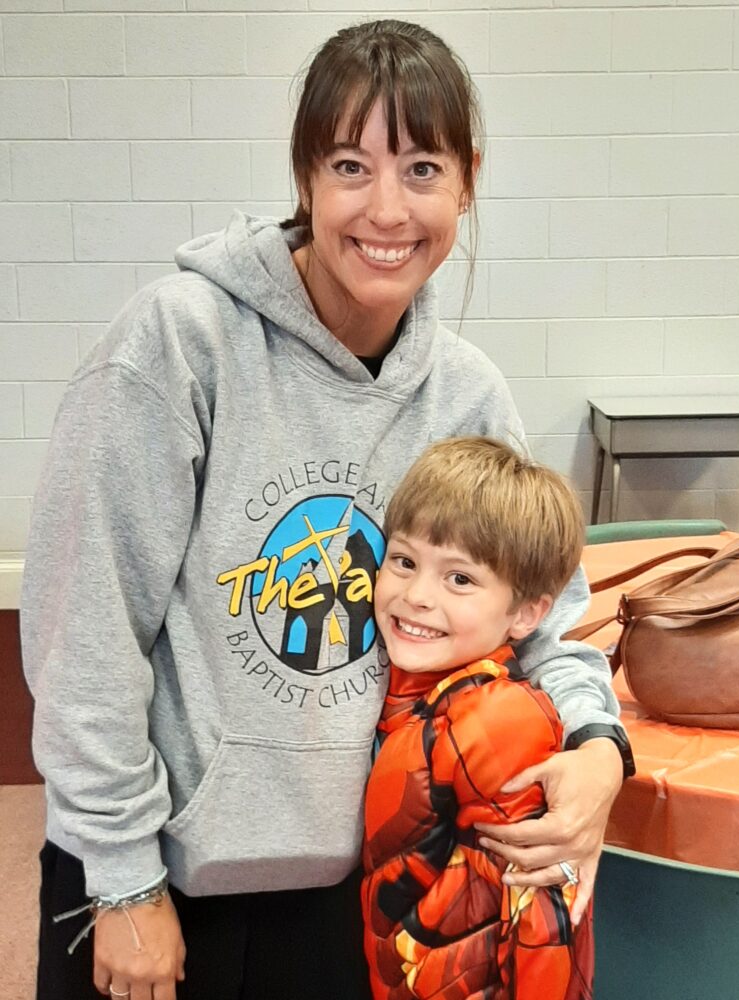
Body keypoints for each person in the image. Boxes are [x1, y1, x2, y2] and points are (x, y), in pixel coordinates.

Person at [21, 18, 632, 1000]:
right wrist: (124, 876)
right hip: (160, 879)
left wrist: (600, 748)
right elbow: (82, 637)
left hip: (356, 893)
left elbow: (545, 622)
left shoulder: (467, 394)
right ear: (305, 178)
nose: (386, 209)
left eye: (422, 169)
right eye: (351, 165)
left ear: (467, 182)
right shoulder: (179, 344)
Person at [363, 436, 594, 1000]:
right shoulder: (412, 688)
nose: (417, 595)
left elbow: (542, 910)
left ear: (526, 613)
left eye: (460, 578)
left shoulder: (499, 721)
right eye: (404, 561)